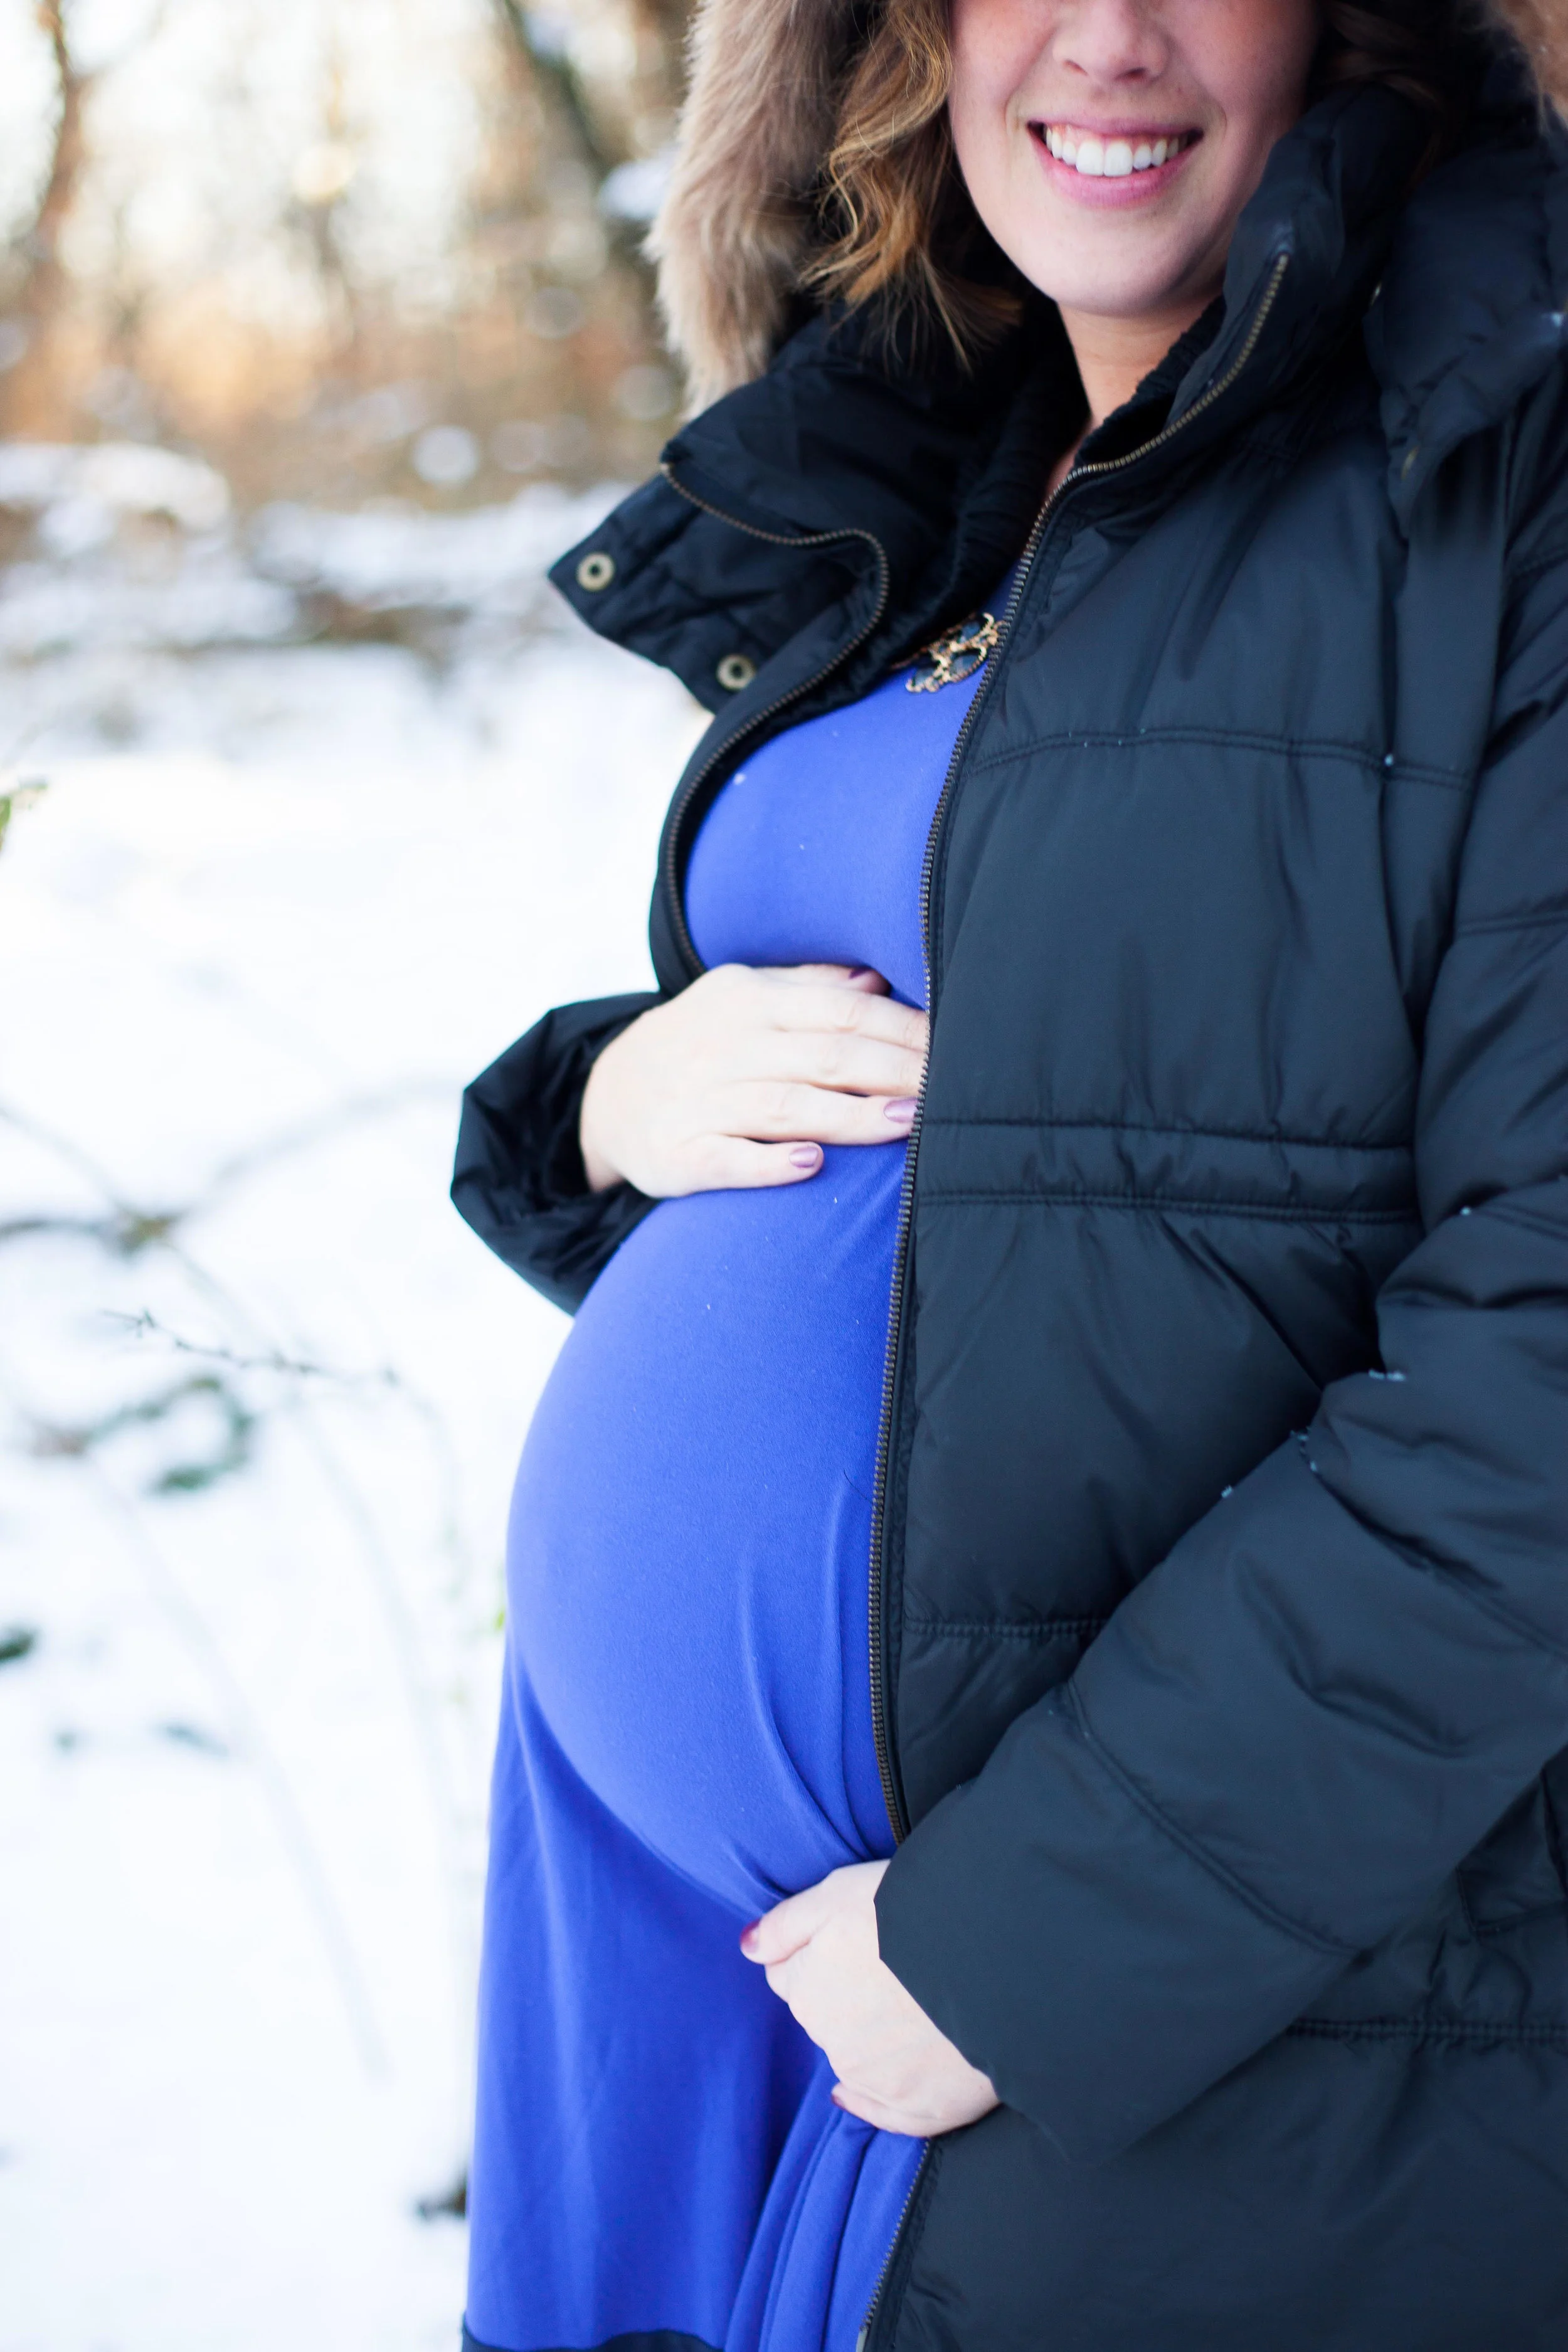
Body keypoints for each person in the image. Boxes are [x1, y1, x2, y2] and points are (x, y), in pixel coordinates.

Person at [451, 1, 1568, 2344]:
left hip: (1107, 2000)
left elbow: (1543, 1357)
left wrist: (1019, 1946)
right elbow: (1063, 1115)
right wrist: (598, 1109)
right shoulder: (976, 455)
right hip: (669, 1947)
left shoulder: (1498, 456)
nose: (1110, 37)